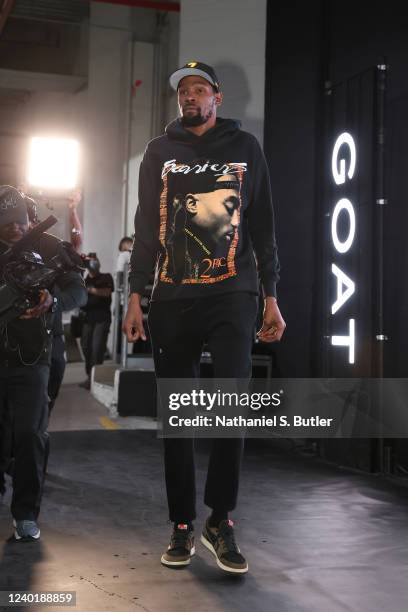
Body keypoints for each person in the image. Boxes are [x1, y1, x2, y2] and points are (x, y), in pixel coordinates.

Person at [123, 61, 286, 574]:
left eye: (198, 90)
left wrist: (271, 295)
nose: (189, 97)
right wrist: (135, 294)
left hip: (233, 294)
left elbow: (262, 225)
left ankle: (220, 520)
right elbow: (146, 225)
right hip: (172, 297)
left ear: (216, 97)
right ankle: (181, 524)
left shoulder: (245, 149)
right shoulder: (159, 152)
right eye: (182, 92)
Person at [0, 185, 87, 541]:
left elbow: (77, 291)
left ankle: (25, 513)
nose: (15, 230)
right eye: (6, 225)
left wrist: (52, 303)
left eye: (19, 223)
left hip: (36, 358)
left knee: (31, 435)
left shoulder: (50, 247)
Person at [79, 254, 114, 389]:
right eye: (90, 261)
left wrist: (89, 289)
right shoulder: (84, 279)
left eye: (95, 260)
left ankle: (95, 379)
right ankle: (90, 376)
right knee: (86, 348)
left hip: (102, 319)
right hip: (87, 319)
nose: (93, 263)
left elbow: (106, 292)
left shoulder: (106, 277)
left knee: (97, 348)